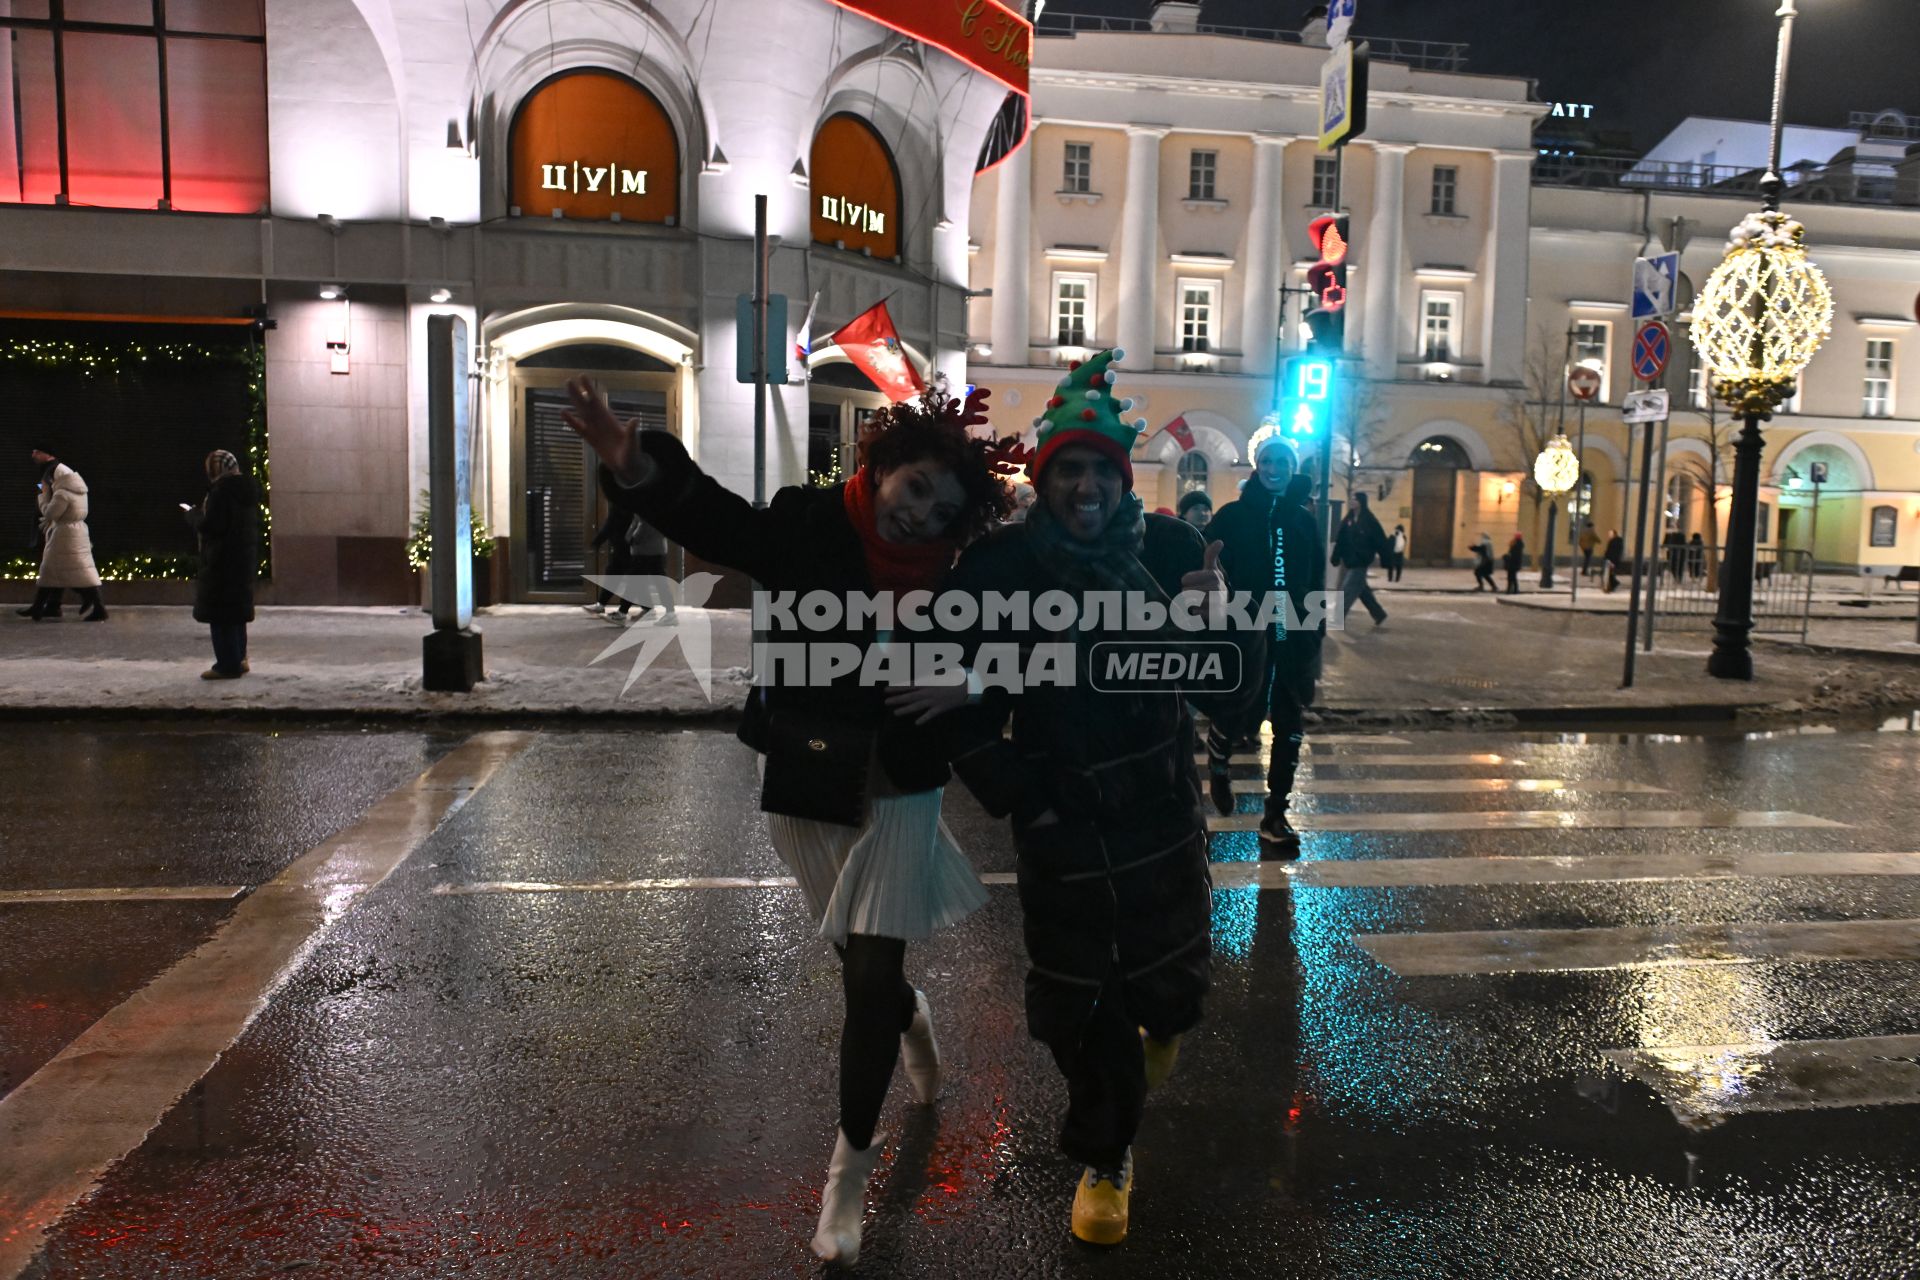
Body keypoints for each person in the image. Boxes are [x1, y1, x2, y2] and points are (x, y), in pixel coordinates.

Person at [562, 373, 1011, 1268]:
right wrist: (636, 466)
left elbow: (1032, 642)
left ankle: (848, 1174)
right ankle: (911, 1018)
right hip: (810, 778)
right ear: (882, 467)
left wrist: (983, 679)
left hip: (907, 790)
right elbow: (720, 524)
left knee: (869, 967)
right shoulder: (807, 525)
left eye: (943, 507)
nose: (921, 515)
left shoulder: (966, 575)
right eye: (914, 486)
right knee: (866, 973)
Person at [924, 348, 1250, 1248]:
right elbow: (940, 689)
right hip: (1061, 820)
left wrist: (1220, 623)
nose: (1083, 487)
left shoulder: (1176, 549)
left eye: (1098, 471)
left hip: (1159, 819)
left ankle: (1141, 1062)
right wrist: (1022, 790)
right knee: (1080, 1008)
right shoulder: (1000, 569)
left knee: (1169, 993)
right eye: (1065, 469)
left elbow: (1234, 698)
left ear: (1120, 477)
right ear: (1045, 477)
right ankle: (1107, 1157)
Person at [1202, 427, 1324, 853]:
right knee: (1240, 714)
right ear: (1258, 467)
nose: (1275, 469)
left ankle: (1276, 816)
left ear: (1293, 470)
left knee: (1290, 726)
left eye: (1283, 463)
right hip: (1244, 634)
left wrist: (1314, 643)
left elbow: (1315, 584)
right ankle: (1219, 756)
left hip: (1292, 637)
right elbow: (1207, 566)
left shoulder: (1305, 521)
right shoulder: (1233, 516)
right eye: (1268, 462)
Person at [185, 450, 259, 677]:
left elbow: (212, 526)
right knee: (236, 612)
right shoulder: (246, 491)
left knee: (220, 614)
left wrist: (193, 516)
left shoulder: (221, 493)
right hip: (242, 560)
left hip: (221, 561)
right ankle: (240, 658)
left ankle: (227, 665)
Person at [19, 450, 107, 622]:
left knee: (56, 570)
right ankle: (44, 607)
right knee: (66, 571)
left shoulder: (62, 494)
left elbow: (49, 513)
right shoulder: (79, 490)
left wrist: (43, 494)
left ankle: (97, 606)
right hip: (76, 533)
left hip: (64, 535)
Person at [1330, 491, 1388, 625]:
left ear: (1361, 502)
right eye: (1351, 499)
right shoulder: (1348, 519)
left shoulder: (1369, 520)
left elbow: (1380, 540)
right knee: (1362, 590)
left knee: (1348, 589)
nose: (1351, 501)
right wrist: (1336, 556)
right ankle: (1379, 614)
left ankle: (1338, 617)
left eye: (1354, 499)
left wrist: (1386, 558)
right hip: (1349, 560)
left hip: (1361, 561)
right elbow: (1341, 539)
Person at [1602, 529, 1626, 593]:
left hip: (1612, 560)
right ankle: (1612, 586)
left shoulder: (1614, 542)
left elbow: (1613, 552)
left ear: (1614, 534)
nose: (1609, 535)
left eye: (1610, 534)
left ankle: (1614, 584)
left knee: (1610, 574)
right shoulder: (1615, 541)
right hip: (1611, 560)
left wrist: (1611, 561)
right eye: (1609, 534)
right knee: (1610, 574)